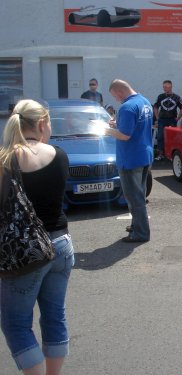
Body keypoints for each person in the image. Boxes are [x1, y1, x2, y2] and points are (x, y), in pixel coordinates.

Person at [0, 99, 74, 375]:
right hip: (62, 245)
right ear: (42, 123)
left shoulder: (5, 159)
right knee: (54, 315)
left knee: (16, 323)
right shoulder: (59, 155)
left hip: (24, 252)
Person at [106, 79, 153, 243]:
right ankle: (136, 225)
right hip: (144, 155)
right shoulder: (144, 101)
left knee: (134, 198)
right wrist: (117, 124)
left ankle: (141, 233)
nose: (116, 100)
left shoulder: (127, 107)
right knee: (139, 194)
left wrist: (107, 130)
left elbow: (125, 136)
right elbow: (136, 126)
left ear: (119, 91)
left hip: (130, 158)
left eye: (115, 96)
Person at [153, 80, 182, 161]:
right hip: (162, 120)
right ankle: (161, 154)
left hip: (172, 120)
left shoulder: (177, 97)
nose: (165, 89)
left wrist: (177, 118)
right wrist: (157, 118)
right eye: (164, 87)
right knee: (160, 137)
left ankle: (171, 155)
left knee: (172, 138)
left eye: (167, 87)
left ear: (171, 87)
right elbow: (155, 107)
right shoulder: (160, 96)